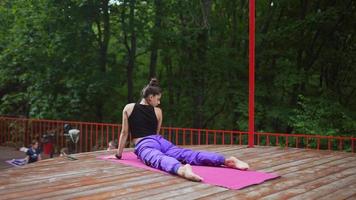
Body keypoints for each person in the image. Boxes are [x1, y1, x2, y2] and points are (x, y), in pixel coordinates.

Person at [115, 78, 249, 182]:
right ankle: (226, 160)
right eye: (158, 99)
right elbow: (156, 133)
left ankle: (181, 169)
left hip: (145, 144)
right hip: (161, 141)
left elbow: (124, 133)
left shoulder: (129, 107)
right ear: (151, 97)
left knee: (157, 158)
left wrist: (119, 155)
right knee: (188, 154)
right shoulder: (158, 112)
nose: (159, 102)